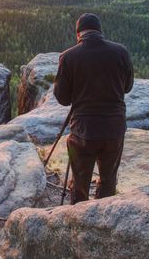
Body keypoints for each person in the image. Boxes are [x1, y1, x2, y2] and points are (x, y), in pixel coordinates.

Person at [53, 13, 134, 204]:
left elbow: (63, 99)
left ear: (78, 34)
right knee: (108, 181)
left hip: (83, 131)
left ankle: (79, 220)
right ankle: (103, 218)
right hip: (114, 129)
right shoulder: (121, 52)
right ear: (99, 31)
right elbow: (128, 87)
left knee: (80, 183)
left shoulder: (68, 57)